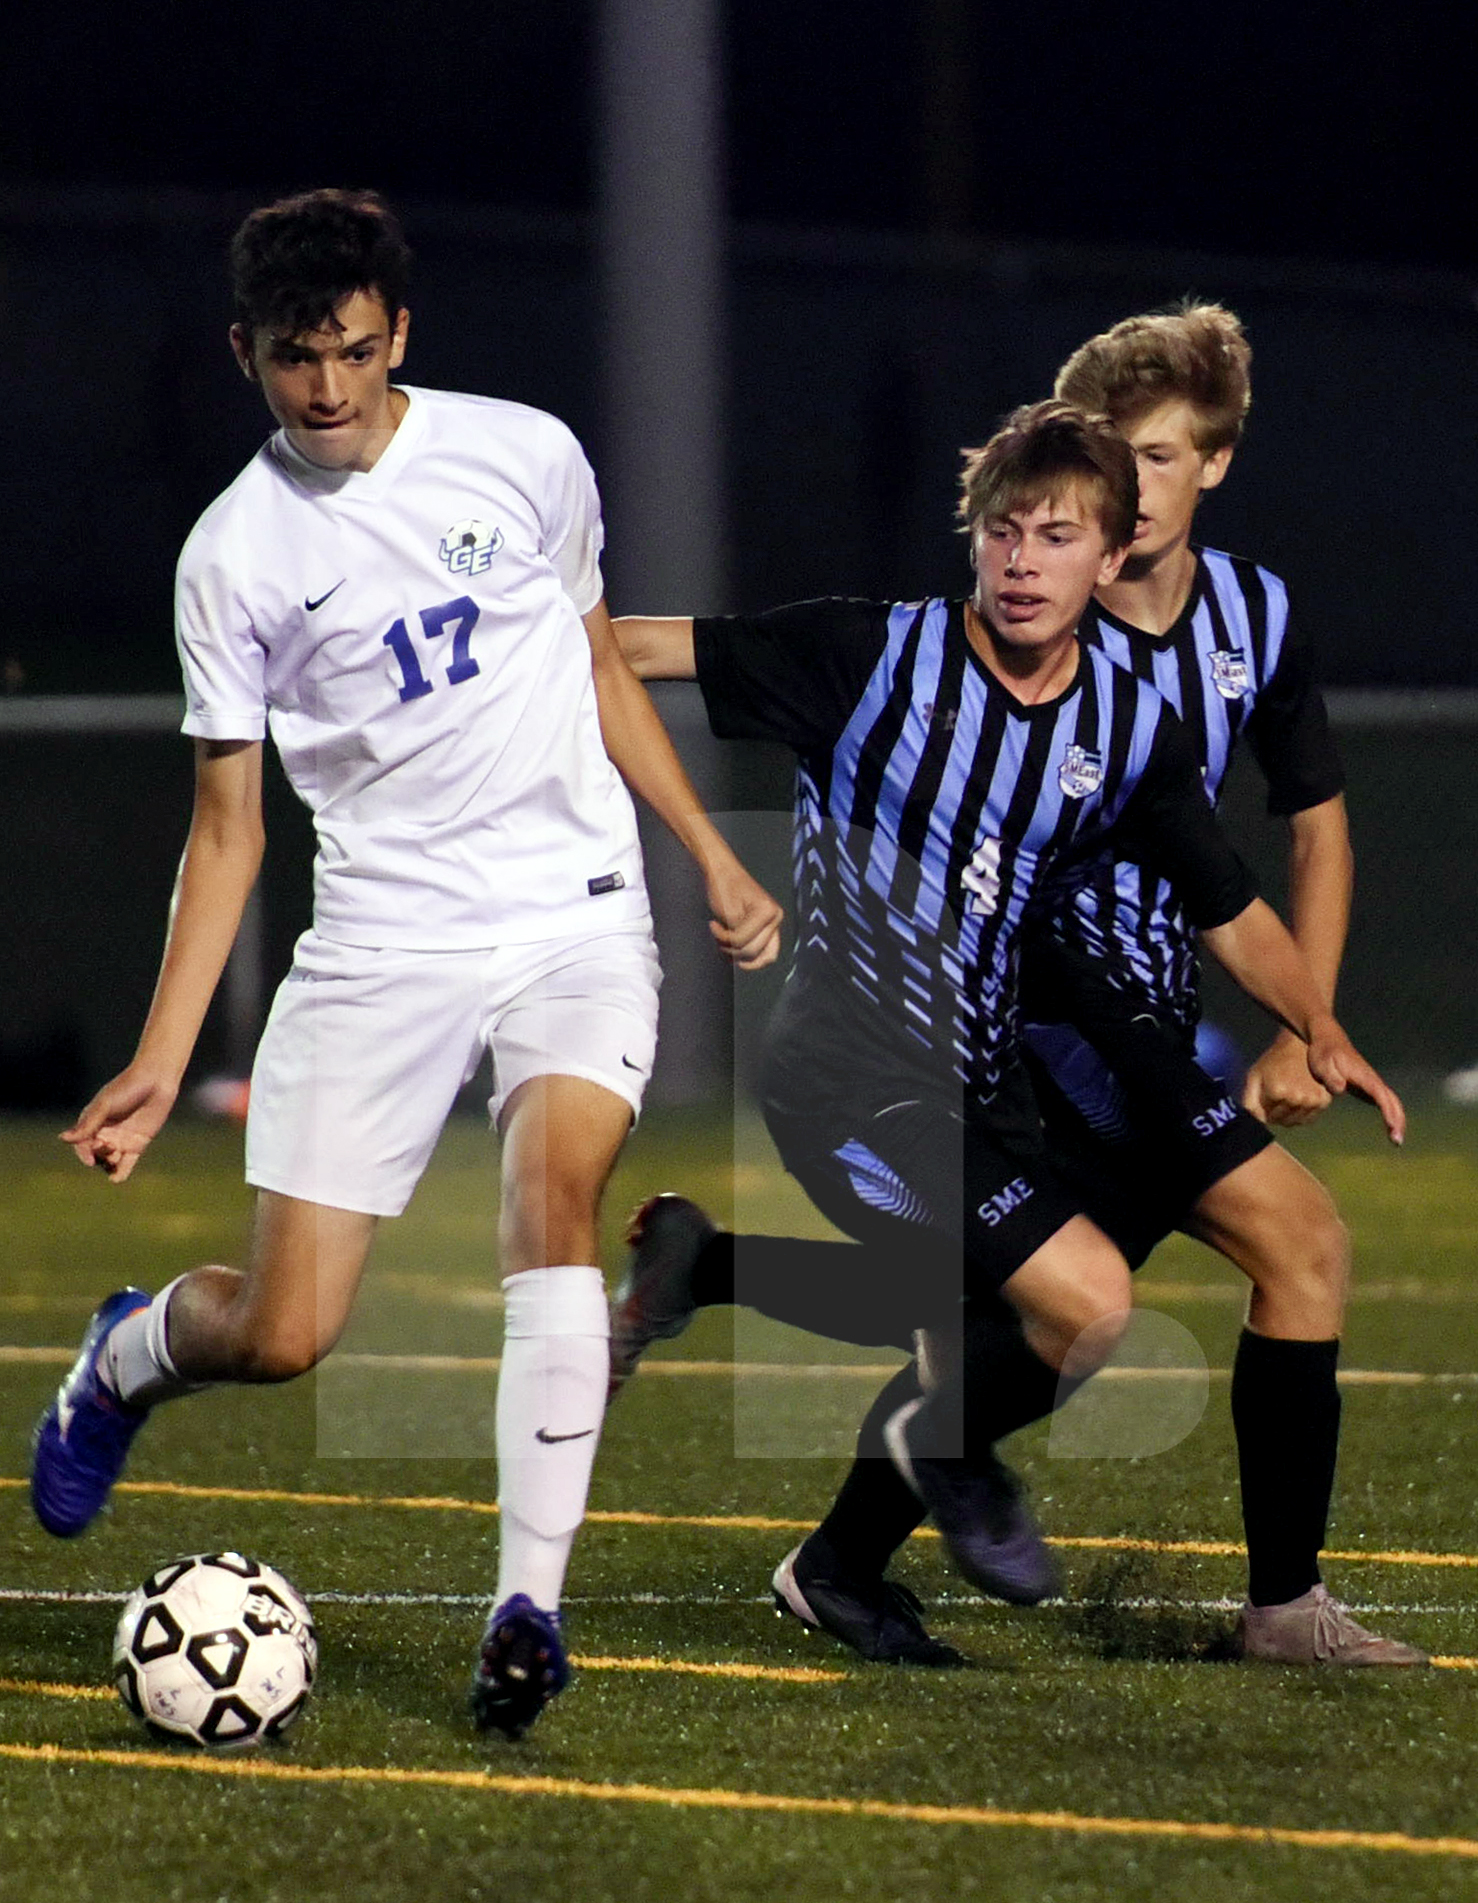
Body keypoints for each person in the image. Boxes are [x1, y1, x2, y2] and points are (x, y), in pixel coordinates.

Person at [30, 188, 782, 1740]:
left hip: (572, 910)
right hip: (381, 941)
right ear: (247, 353)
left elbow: (589, 666)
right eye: (298, 359)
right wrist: (164, 1059)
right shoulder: (230, 560)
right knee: (286, 1335)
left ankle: (527, 1611)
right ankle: (128, 1356)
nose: (330, 389)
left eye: (358, 353)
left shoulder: (526, 452)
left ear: (402, 338)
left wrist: (705, 851)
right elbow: (229, 830)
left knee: (554, 1194)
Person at [608, 398, 1422, 1669]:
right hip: (846, 1087)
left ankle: (823, 1475)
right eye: (1001, 532)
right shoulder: (867, 657)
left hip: (983, 1088)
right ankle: (931, 1454)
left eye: (1055, 538)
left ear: (1111, 559)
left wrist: (1315, 1021)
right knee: (1076, 1297)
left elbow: (1224, 902)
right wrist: (707, 854)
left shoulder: (1123, 724)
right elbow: (609, 647)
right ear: (971, 539)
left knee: (1009, 1301)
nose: (1021, 562)